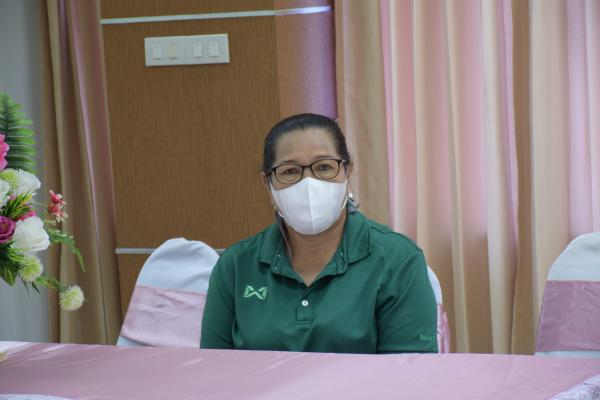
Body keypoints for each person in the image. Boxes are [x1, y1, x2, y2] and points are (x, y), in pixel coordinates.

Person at [200, 113, 438, 353]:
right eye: (290, 171)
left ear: (347, 171)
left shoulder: (399, 261)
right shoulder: (236, 266)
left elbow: (408, 370)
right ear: (268, 183)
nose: (308, 183)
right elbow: (214, 367)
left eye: (324, 167)